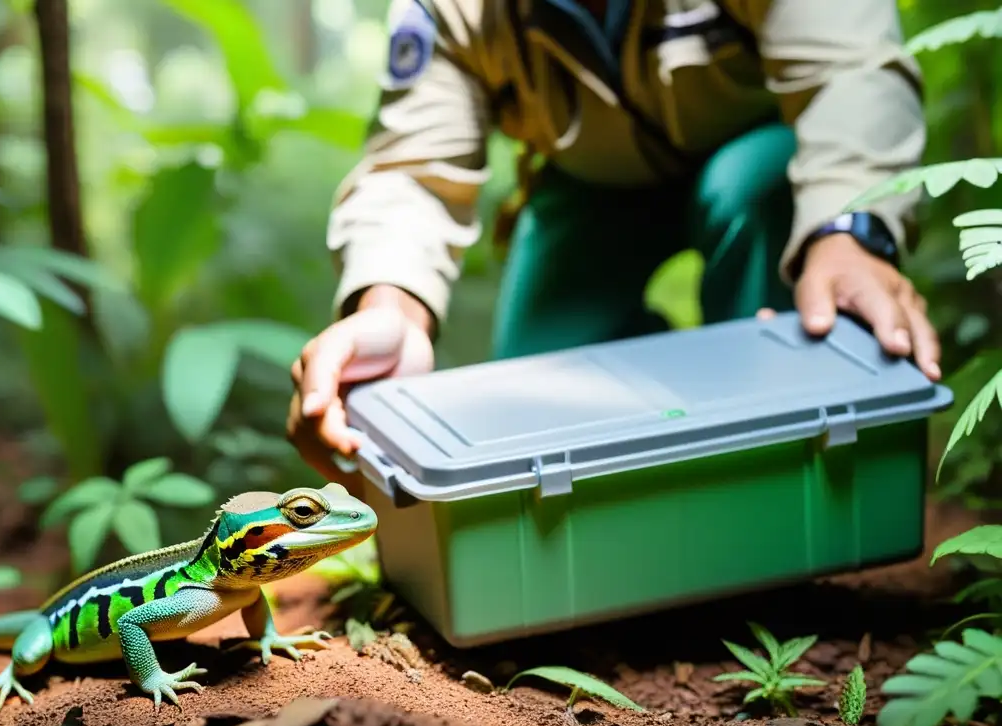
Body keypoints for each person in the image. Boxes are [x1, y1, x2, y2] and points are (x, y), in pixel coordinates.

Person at [287, 0, 942, 490]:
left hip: (762, 171)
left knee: (756, 188)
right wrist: (390, 308)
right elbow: (412, 173)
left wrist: (845, 230)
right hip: (586, 186)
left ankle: (790, 472)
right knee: (537, 420)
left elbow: (853, 70)